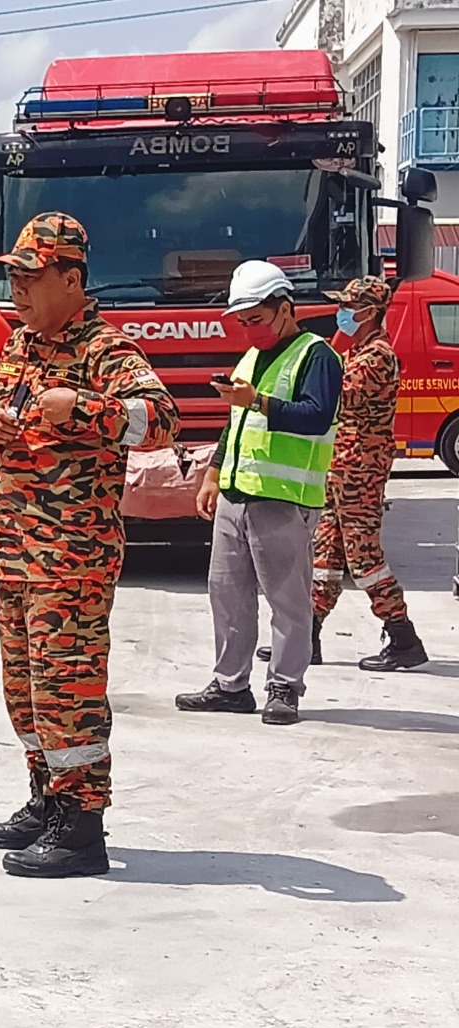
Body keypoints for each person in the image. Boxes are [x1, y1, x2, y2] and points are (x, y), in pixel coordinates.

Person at [0, 212, 178, 878]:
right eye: (14, 277)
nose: (19, 290)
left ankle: (82, 829)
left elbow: (161, 419)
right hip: (15, 556)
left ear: (72, 279)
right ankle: (46, 800)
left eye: (31, 277)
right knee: (26, 692)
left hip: (70, 561)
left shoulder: (104, 351)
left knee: (69, 692)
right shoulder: (19, 345)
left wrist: (83, 407)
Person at [174, 261, 343, 725]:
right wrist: (212, 474)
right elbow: (235, 424)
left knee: (288, 600)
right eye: (243, 322)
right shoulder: (250, 358)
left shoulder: (317, 356)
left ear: (285, 309)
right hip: (237, 494)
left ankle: (285, 687)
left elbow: (317, 417)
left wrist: (258, 401)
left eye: (257, 320)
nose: (250, 330)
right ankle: (231, 685)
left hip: (284, 498)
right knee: (227, 593)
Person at [306, 277, 429, 671]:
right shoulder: (357, 351)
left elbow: (334, 398)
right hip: (340, 465)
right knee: (326, 554)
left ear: (370, 312)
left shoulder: (376, 357)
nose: (341, 312)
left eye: (348, 306)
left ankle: (403, 638)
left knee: (364, 559)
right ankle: (306, 637)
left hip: (361, 467)